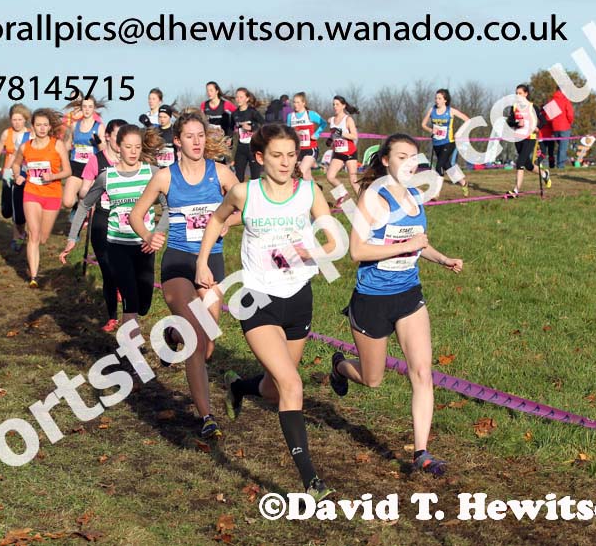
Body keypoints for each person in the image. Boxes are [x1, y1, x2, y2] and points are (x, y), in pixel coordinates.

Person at [196, 123, 339, 501]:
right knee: (293, 385)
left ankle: (239, 385)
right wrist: (201, 263)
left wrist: (313, 251)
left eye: (291, 155)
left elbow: (334, 238)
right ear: (259, 158)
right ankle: (311, 479)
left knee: (277, 388)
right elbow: (215, 220)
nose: (285, 162)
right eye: (277, 155)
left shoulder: (309, 192)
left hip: (298, 297)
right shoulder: (245, 193)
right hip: (256, 299)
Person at [329, 133, 462, 476]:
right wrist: (407, 247)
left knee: (421, 371)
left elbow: (418, 243)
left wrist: (441, 258)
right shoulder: (373, 200)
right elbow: (357, 251)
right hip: (372, 299)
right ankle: (341, 367)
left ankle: (422, 452)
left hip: (408, 295)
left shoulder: (416, 196)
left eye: (414, 157)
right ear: (386, 161)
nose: (410, 163)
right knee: (372, 380)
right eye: (402, 157)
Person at [129, 110, 240, 439]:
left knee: (206, 345)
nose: (196, 141)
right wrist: (149, 235)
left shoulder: (220, 173)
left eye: (201, 136)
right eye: (190, 136)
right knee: (196, 338)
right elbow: (138, 214)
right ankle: (207, 417)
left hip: (211, 263)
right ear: (177, 141)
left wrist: (221, 224)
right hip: (177, 263)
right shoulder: (165, 177)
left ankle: (170, 338)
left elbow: (245, 209)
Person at [60, 119, 128, 331]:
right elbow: (83, 193)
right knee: (108, 270)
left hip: (125, 220)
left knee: (124, 270)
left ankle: (128, 315)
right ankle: (111, 317)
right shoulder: (96, 161)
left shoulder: (132, 161)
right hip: (102, 218)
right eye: (118, 136)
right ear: (107, 136)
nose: (121, 142)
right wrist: (95, 188)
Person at [11, 108, 72, 287]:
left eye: (45, 125)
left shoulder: (57, 144)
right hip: (32, 192)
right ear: (33, 126)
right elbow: (15, 164)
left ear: (50, 126)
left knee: (43, 238)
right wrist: (18, 176)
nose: (43, 128)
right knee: (34, 235)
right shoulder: (25, 146)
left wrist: (52, 177)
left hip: (52, 194)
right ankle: (34, 277)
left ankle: (33, 256)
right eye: (39, 125)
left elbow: (67, 171)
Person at [0, 104, 32, 251]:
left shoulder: (30, 134)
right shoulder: (6, 134)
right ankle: (21, 231)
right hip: (7, 174)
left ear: (25, 120)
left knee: (19, 207)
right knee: (7, 210)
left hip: (22, 173)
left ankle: (17, 236)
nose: (16, 122)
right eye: (14, 119)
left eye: (19, 119)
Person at [421, 89, 471, 197]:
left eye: (439, 98)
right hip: (436, 143)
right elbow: (423, 124)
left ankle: (435, 193)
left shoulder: (450, 111)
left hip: (449, 142)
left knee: (439, 166)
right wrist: (431, 130)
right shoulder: (432, 110)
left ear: (445, 100)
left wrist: (459, 132)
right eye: (436, 98)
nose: (437, 100)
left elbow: (468, 120)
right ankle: (464, 183)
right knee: (448, 166)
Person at [505, 84, 550, 198]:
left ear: (526, 94)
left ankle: (515, 191)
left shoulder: (532, 107)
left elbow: (543, 120)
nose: (518, 95)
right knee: (528, 165)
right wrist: (516, 123)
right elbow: (509, 121)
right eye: (516, 93)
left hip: (530, 138)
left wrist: (537, 127)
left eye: (520, 93)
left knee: (520, 163)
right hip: (518, 138)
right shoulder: (514, 107)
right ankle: (544, 174)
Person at [63, 94, 106, 209]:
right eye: (85, 106)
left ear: (94, 108)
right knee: (67, 202)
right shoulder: (74, 125)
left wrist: (98, 141)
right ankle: (76, 207)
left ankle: (86, 217)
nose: (87, 109)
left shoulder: (99, 127)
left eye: (90, 107)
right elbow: (67, 145)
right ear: (81, 107)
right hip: (75, 167)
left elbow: (104, 151)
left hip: (91, 169)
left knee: (88, 200)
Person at [287, 92, 327, 185]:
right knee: (306, 176)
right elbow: (288, 131)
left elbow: (323, 123)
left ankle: (345, 197)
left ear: (304, 103)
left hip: (310, 149)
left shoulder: (310, 114)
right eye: (294, 102)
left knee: (300, 172)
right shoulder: (290, 116)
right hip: (298, 150)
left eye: (298, 102)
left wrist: (316, 134)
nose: (295, 105)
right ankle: (317, 193)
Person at [325, 96, 360, 202]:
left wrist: (341, 133)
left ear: (343, 106)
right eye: (333, 104)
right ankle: (344, 195)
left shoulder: (348, 119)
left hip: (349, 153)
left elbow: (354, 136)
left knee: (353, 181)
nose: (335, 107)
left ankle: (365, 202)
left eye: (337, 104)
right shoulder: (331, 120)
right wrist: (330, 139)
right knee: (330, 177)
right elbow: (334, 134)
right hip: (338, 153)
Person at [232, 87, 265, 183]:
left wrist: (252, 127)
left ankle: (256, 197)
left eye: (241, 97)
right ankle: (239, 197)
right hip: (241, 148)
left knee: (255, 177)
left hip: (253, 148)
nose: (238, 99)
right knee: (238, 178)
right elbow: (231, 128)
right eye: (237, 97)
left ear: (247, 99)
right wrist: (229, 139)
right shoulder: (235, 114)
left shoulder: (252, 112)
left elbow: (264, 125)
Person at [548, 87, 574, 169]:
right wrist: (569, 122)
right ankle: (560, 166)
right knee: (563, 148)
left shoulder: (551, 101)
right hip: (565, 127)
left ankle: (559, 164)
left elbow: (549, 117)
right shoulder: (566, 100)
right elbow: (570, 115)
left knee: (560, 147)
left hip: (555, 127)